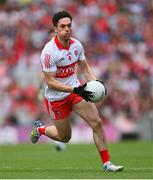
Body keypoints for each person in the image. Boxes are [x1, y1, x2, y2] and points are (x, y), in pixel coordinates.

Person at [30, 10, 123, 172]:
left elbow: (85, 68)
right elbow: (51, 82)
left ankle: (107, 163)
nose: (67, 29)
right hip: (56, 98)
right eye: (63, 26)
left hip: (75, 92)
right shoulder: (49, 52)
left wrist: (96, 83)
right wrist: (75, 89)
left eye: (69, 26)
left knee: (97, 122)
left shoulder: (77, 45)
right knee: (64, 137)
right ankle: (40, 129)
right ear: (55, 29)